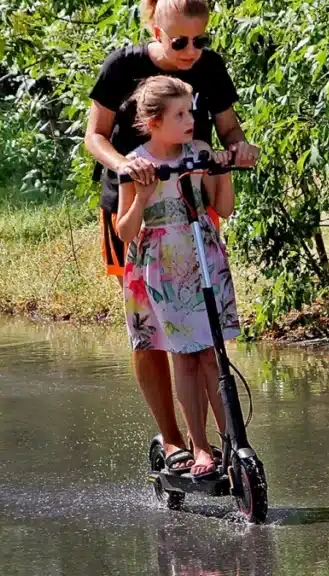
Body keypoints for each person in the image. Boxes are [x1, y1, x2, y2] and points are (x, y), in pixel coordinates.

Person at [83, 0, 257, 476]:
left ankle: (221, 442)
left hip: (192, 205)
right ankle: (176, 438)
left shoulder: (209, 68)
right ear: (154, 28)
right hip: (138, 203)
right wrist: (125, 168)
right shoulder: (123, 66)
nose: (190, 51)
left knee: (201, 332)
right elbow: (94, 135)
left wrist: (236, 151)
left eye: (199, 41)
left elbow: (227, 129)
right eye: (179, 41)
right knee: (151, 331)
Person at [114, 75, 241, 479]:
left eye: (191, 112)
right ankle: (199, 447)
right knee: (185, 355)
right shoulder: (135, 163)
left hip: (202, 256)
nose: (190, 121)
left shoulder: (198, 152)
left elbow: (224, 207)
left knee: (212, 352)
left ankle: (233, 442)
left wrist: (222, 170)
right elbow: (125, 231)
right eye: (180, 114)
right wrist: (145, 195)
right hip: (161, 265)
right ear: (153, 122)